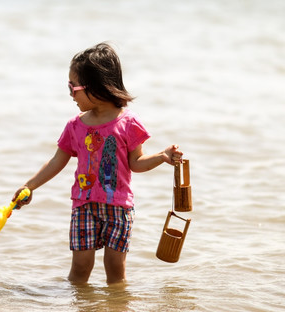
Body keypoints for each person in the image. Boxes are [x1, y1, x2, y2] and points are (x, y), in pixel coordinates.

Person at [12, 42, 183, 285]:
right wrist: (29, 186)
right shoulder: (75, 126)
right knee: (80, 269)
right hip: (84, 206)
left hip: (119, 208)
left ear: (97, 87)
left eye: (73, 87)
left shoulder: (128, 123)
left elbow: (137, 162)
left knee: (115, 271)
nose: (71, 94)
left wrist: (162, 156)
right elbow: (57, 160)